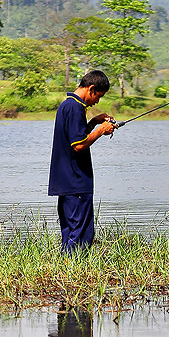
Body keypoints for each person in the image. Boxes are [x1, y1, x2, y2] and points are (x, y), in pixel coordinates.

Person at [48, 70, 116, 253]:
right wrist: (101, 130)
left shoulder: (69, 105)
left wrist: (93, 122)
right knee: (82, 232)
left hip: (67, 181)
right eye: (98, 96)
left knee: (71, 229)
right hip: (76, 180)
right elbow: (78, 145)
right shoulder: (75, 107)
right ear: (91, 88)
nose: (97, 102)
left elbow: (76, 136)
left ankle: (67, 267)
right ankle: (71, 266)